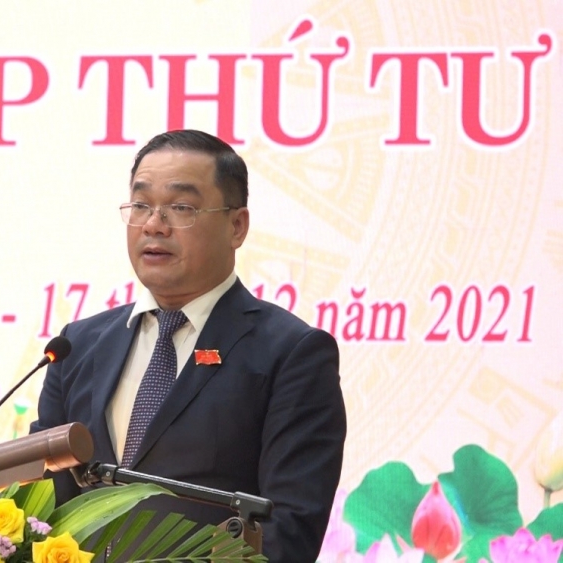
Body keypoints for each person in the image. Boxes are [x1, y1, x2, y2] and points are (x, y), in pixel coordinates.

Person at [30, 129, 346, 562]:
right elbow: (41, 508)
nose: (154, 225)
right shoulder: (76, 346)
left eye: (181, 207)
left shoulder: (291, 354)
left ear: (237, 226)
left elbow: (287, 532)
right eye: (141, 205)